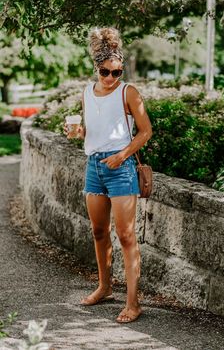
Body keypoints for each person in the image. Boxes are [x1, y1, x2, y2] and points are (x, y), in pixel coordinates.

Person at [64, 27, 152, 323]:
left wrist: (123, 155)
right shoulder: (87, 93)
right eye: (106, 71)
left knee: (126, 236)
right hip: (94, 167)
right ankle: (104, 287)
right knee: (99, 232)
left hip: (122, 168)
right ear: (96, 68)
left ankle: (133, 302)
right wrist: (79, 133)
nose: (111, 78)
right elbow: (92, 131)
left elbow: (146, 131)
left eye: (117, 71)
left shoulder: (129, 92)